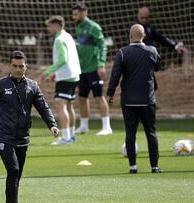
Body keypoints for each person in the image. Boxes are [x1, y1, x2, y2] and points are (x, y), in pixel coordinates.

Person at [0, 51, 59, 203]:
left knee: (16, 175)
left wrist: (52, 124)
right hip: (4, 137)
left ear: (26, 67)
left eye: (21, 66)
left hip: (23, 138)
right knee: (13, 170)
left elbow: (43, 107)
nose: (17, 69)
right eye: (14, 66)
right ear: (10, 66)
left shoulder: (32, 86)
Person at [107, 24, 163, 174]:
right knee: (151, 133)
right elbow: (158, 67)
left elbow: (115, 76)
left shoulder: (122, 53)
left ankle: (133, 166)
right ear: (144, 36)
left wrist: (110, 94)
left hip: (128, 101)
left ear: (130, 36)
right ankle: (155, 167)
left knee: (130, 133)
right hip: (148, 100)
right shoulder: (152, 51)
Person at [72, 3, 112, 136]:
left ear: (84, 13)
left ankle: (107, 127)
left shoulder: (94, 27)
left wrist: (101, 64)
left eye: (76, 14)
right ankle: (84, 126)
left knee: (99, 96)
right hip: (81, 70)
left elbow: (102, 46)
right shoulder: (78, 27)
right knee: (82, 97)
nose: (73, 17)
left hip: (94, 68)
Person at [41, 16, 81, 145]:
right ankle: (71, 136)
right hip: (74, 75)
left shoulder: (59, 39)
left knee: (60, 105)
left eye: (49, 26)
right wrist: (55, 73)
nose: (48, 28)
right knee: (69, 106)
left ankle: (66, 138)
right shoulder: (68, 36)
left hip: (66, 76)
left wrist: (48, 71)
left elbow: (63, 59)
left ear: (56, 25)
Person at [136, 6, 188, 91]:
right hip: (139, 63)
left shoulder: (148, 28)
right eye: (142, 18)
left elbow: (161, 38)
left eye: (146, 18)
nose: (144, 20)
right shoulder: (135, 29)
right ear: (138, 15)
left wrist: (175, 46)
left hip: (148, 64)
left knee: (152, 87)